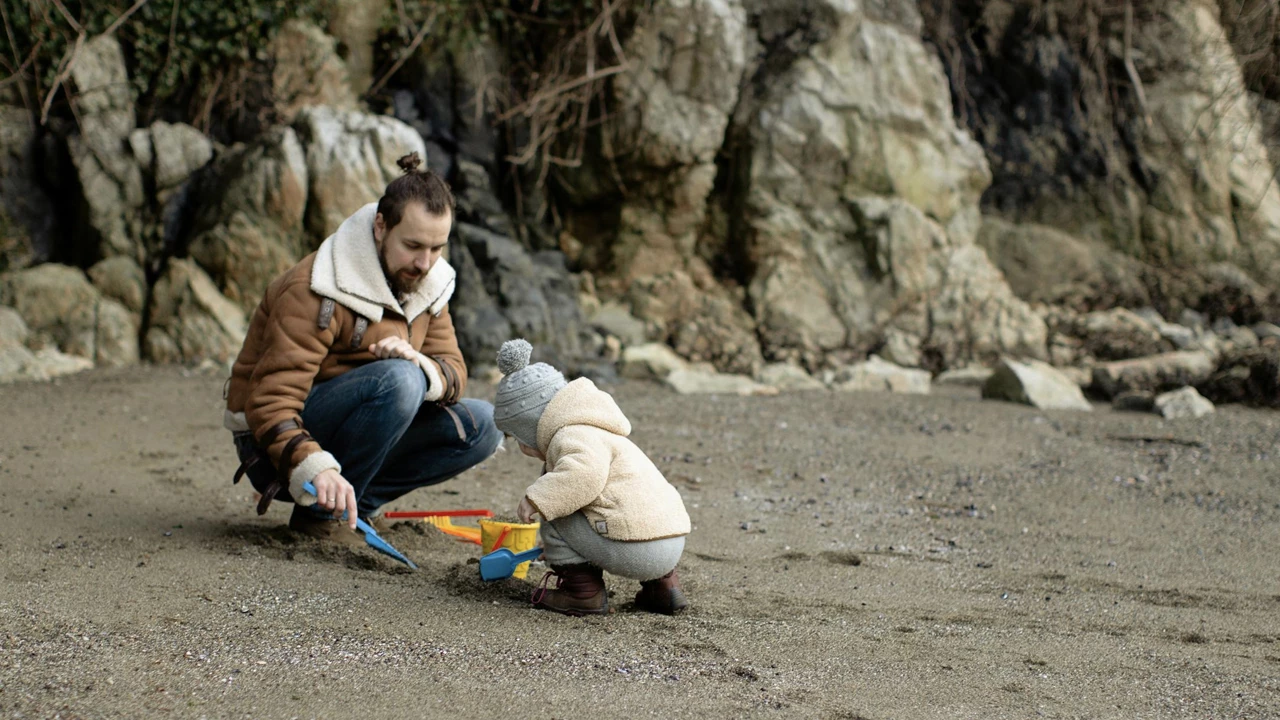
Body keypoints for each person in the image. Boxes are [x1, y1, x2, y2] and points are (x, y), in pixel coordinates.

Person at [223, 152, 501, 542]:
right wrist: (313, 466)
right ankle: (320, 513)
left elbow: (453, 370)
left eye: (437, 248)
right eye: (413, 245)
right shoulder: (314, 287)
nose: (425, 263)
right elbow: (269, 403)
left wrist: (422, 365)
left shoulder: (429, 281)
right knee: (401, 381)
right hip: (273, 446)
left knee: (483, 425)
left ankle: (357, 507)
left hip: (369, 427)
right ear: (380, 226)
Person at [492, 338, 691, 615]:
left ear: (533, 424)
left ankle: (582, 593)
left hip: (636, 550)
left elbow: (583, 476)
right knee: (621, 504)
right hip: (672, 541)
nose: (522, 448)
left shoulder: (570, 435)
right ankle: (663, 588)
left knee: (557, 507)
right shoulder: (603, 430)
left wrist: (536, 499)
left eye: (518, 438)